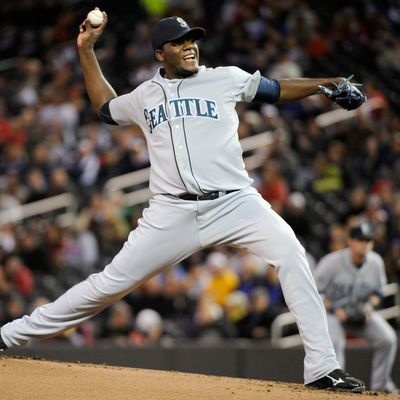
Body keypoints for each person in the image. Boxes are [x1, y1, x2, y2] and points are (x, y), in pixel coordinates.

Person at [0, 11, 366, 392]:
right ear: (161, 54)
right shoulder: (145, 95)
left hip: (236, 203)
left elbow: (277, 87)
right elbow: (105, 108)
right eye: (179, 42)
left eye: (192, 39)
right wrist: (87, 49)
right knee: (106, 285)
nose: (190, 46)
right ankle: (9, 336)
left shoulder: (225, 78)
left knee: (292, 254)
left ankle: (323, 367)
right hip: (171, 211)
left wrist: (327, 83)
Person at [314, 223, 398, 393]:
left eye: (368, 240)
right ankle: (337, 385)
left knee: (388, 339)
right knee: (336, 341)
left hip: (360, 312)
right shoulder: (331, 262)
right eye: (360, 239)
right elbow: (314, 293)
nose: (364, 243)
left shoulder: (375, 262)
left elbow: (378, 292)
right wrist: (335, 310)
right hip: (333, 314)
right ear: (350, 241)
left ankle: (381, 385)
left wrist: (367, 307)